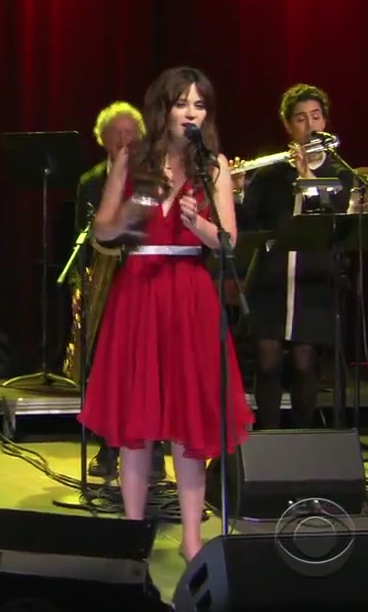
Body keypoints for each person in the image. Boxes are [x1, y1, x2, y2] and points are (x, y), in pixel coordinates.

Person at [79, 67, 253, 562]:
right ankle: (132, 535)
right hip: (140, 289)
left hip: (189, 293)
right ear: (164, 109)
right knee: (136, 423)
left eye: (199, 105)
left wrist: (197, 224)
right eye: (182, 103)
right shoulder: (133, 158)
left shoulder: (213, 164)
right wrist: (131, 215)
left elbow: (228, 241)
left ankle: (192, 540)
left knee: (188, 422)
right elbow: (103, 230)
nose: (191, 113)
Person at [236, 84, 358, 430]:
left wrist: (306, 175)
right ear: (289, 126)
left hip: (313, 279)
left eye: (316, 117)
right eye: (301, 119)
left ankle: (303, 436)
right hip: (272, 278)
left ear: (326, 122)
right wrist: (238, 190)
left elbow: (332, 217)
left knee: (305, 364)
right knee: (267, 362)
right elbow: (249, 224)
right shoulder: (270, 173)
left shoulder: (340, 173)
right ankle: (269, 437)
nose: (310, 125)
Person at [64, 101, 166, 482]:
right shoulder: (91, 181)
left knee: (149, 366)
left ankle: (152, 450)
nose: (125, 141)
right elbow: (80, 238)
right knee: (106, 366)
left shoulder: (156, 177)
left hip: (147, 279)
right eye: (117, 134)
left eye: (131, 133)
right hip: (105, 279)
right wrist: (78, 285)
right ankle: (107, 447)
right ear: (102, 140)